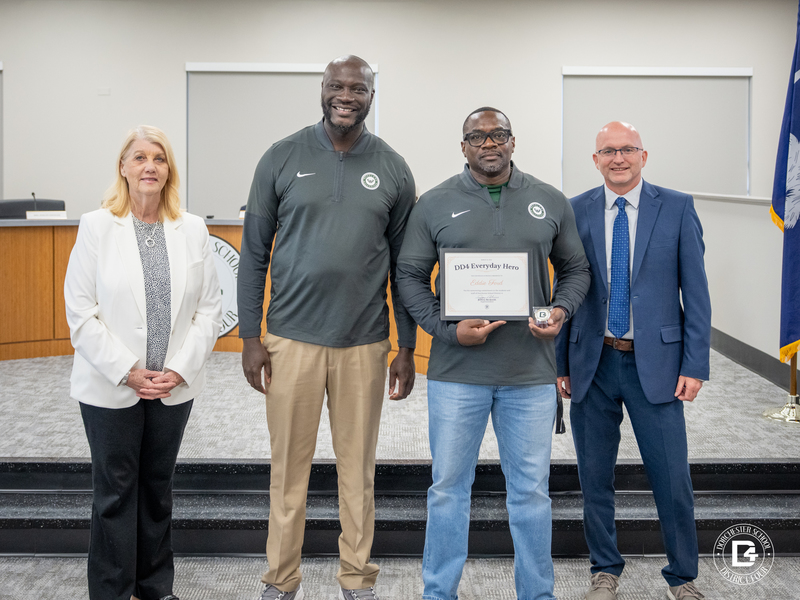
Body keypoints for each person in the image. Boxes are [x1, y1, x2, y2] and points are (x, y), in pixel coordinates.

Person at [238, 55, 417, 600]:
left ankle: (357, 580)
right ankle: (280, 578)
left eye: (357, 88)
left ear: (370, 95)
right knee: (287, 473)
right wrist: (250, 336)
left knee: (357, 473)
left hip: (364, 343)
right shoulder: (282, 156)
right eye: (337, 86)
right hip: (290, 340)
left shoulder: (392, 167)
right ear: (322, 90)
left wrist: (406, 345)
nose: (347, 95)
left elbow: (405, 267)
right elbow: (253, 254)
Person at [396, 107, 590, 600]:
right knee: (447, 492)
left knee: (530, 494)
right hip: (456, 374)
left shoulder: (549, 200)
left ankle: (537, 594)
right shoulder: (434, 203)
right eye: (477, 136)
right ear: (463, 146)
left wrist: (561, 311)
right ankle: (439, 593)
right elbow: (410, 278)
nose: (489, 143)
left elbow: (575, 270)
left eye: (498, 134)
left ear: (512, 141)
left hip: (529, 374)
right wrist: (446, 329)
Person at [64, 125, 223, 600]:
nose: (149, 166)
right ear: (123, 168)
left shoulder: (191, 228)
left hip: (173, 385)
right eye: (139, 158)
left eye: (159, 157)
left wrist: (177, 370)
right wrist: (127, 371)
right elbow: (80, 311)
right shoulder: (96, 226)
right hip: (111, 385)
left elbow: (210, 308)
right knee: (114, 493)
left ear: (169, 169)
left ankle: (155, 587)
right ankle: (113, 591)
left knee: (157, 488)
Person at [555, 121, 711, 600]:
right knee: (594, 477)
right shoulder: (575, 210)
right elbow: (564, 289)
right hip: (592, 363)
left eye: (627, 149)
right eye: (608, 151)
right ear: (595, 159)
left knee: (672, 478)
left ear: (644, 155)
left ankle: (683, 577)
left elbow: (697, 293)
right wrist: (560, 363)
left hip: (659, 367)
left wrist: (695, 364)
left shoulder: (678, 207)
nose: (617, 158)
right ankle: (605, 569)